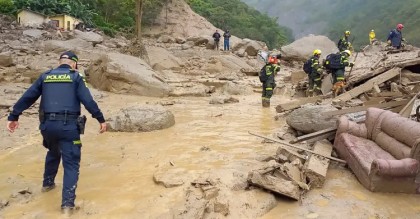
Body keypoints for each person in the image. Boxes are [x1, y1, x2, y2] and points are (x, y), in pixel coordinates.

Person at [6, 51, 107, 214]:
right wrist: (101, 119)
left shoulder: (45, 76)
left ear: (59, 62)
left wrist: (14, 116)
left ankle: (47, 185)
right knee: (71, 164)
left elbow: (27, 97)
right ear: (74, 64)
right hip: (68, 128)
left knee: (53, 152)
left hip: (48, 127)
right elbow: (88, 101)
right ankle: (67, 206)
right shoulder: (76, 77)